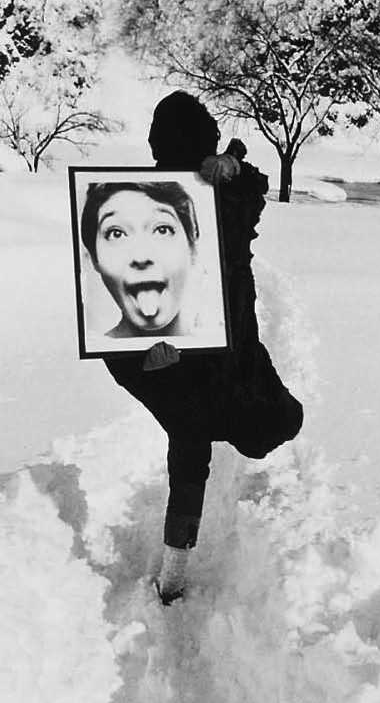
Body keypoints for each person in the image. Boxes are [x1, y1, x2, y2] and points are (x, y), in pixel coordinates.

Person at [103, 90, 304, 605]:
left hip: (224, 352)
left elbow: (255, 186)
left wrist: (232, 165)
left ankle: (178, 564)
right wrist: (145, 358)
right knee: (197, 448)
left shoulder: (220, 197)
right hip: (186, 360)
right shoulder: (142, 205)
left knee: (265, 426)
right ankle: (173, 572)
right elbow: (113, 314)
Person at [81, 181, 199, 338]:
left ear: (192, 250)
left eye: (162, 230)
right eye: (116, 233)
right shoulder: (92, 356)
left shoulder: (222, 349)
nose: (141, 257)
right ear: (95, 258)